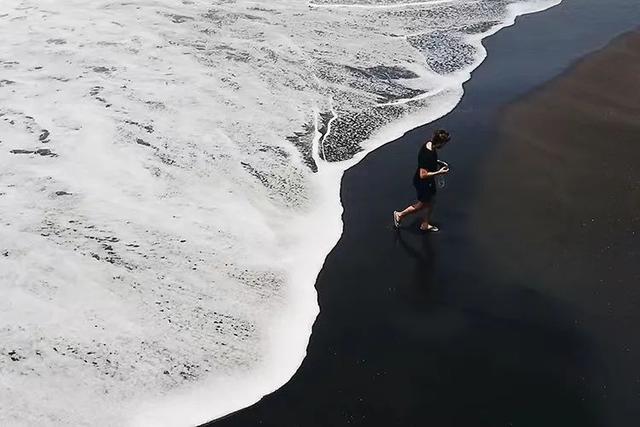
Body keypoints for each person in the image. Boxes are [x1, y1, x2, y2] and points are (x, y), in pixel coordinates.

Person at [393, 129, 450, 232]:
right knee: (421, 205)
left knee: (431, 201)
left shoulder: (429, 145)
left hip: (429, 181)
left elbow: (429, 162)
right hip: (422, 182)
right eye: (444, 143)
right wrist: (439, 172)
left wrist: (438, 163)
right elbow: (422, 175)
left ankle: (425, 223)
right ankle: (399, 215)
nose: (444, 146)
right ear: (439, 143)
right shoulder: (427, 155)